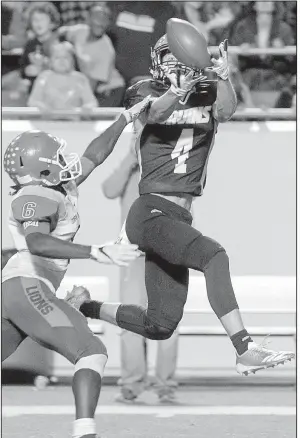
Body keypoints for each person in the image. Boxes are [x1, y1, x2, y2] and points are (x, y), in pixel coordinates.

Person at [69, 33, 295, 377]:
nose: (177, 65)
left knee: (160, 324)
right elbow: (157, 114)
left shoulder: (208, 89)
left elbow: (226, 110)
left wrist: (223, 75)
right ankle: (245, 347)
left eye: (181, 59)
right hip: (149, 211)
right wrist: (177, 91)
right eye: (170, 60)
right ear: (158, 64)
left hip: (178, 215)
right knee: (213, 255)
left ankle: (83, 306)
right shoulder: (144, 91)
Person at [2, 96, 150, 438]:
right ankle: (85, 431)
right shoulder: (34, 196)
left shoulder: (58, 186)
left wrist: (125, 117)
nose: (64, 161)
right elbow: (37, 242)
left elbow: (95, 156)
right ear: (38, 168)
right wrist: (96, 252)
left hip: (16, 290)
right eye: (55, 158)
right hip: (27, 287)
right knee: (92, 352)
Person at [102, 142, 179, 403]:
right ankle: (132, 386)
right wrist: (129, 158)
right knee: (131, 321)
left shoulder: (173, 164)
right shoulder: (131, 169)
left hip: (166, 252)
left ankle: (164, 387)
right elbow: (109, 190)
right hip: (133, 253)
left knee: (168, 322)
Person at [59, 4, 125, 107]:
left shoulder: (106, 50)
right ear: (88, 19)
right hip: (86, 83)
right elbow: (59, 32)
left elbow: (91, 87)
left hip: (108, 91)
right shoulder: (80, 31)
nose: (101, 22)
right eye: (97, 17)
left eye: (105, 19)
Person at [28, 41, 98, 112]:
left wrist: (87, 107)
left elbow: (92, 103)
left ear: (72, 60)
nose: (62, 61)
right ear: (51, 61)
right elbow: (33, 101)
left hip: (74, 121)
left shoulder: (80, 79)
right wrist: (39, 106)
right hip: (48, 121)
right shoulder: (43, 77)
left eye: (65, 57)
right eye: (57, 58)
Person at [20, 2, 60, 94]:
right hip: (35, 92)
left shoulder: (58, 43)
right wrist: (26, 71)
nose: (38, 23)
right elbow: (22, 67)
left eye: (42, 19)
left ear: (51, 22)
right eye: (35, 20)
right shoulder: (30, 44)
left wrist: (42, 70)